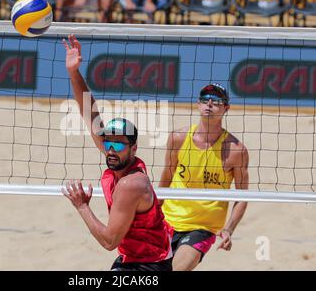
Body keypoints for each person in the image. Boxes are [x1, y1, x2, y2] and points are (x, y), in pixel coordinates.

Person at [61, 34, 173, 271]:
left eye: (119, 144)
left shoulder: (131, 184)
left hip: (150, 264)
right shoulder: (118, 157)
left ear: (134, 148)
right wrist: (73, 71)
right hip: (131, 257)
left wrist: (82, 206)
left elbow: (109, 241)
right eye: (108, 142)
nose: (110, 148)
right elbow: (90, 112)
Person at [159, 83, 249, 271]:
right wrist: (151, 213)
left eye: (216, 101)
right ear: (198, 105)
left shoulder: (236, 150)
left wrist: (228, 229)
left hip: (202, 228)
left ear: (226, 108)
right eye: (205, 100)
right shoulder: (178, 138)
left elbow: (242, 197)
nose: (209, 104)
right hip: (167, 220)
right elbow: (166, 176)